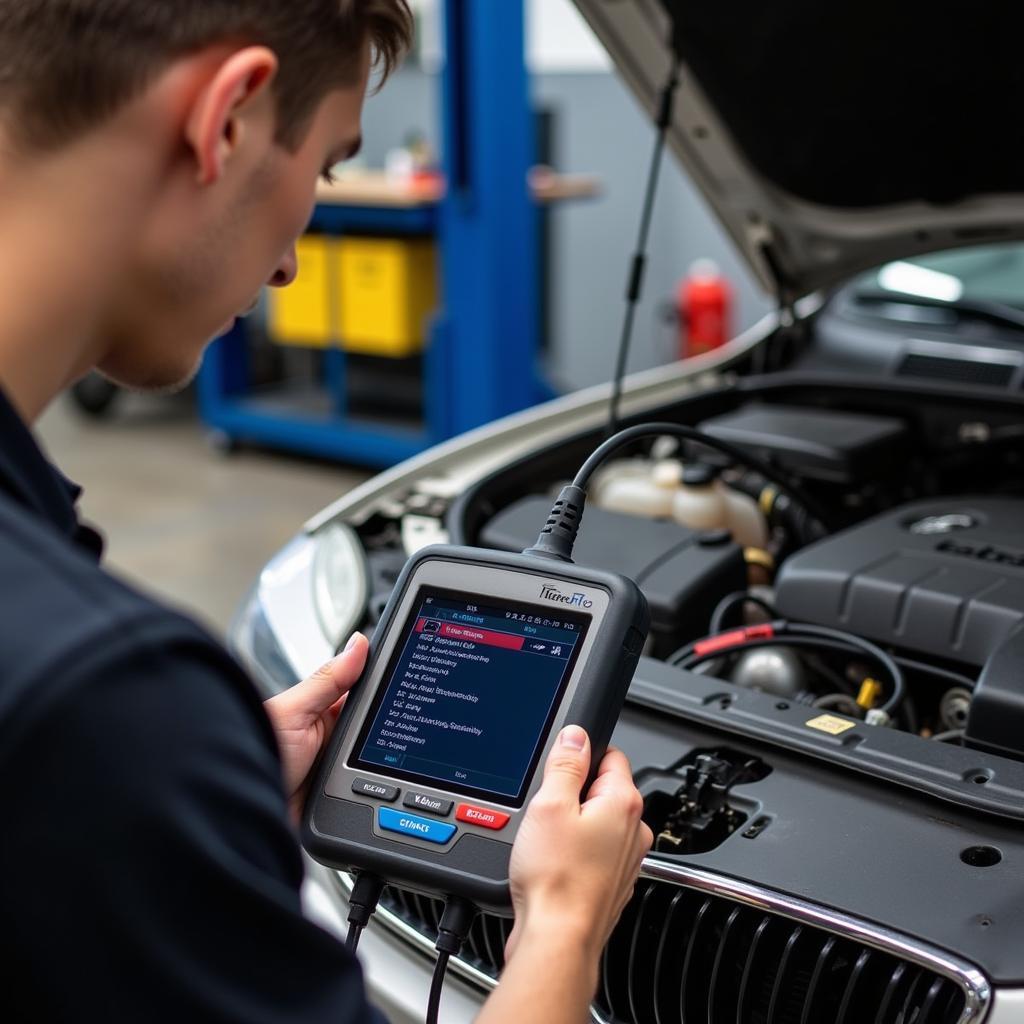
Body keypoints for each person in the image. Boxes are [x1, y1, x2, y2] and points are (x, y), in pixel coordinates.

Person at [0, 3, 653, 1022]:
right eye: (329, 167)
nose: (291, 263)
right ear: (227, 120)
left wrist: (189, 792)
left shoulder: (98, 719)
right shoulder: (101, 701)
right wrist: (564, 929)